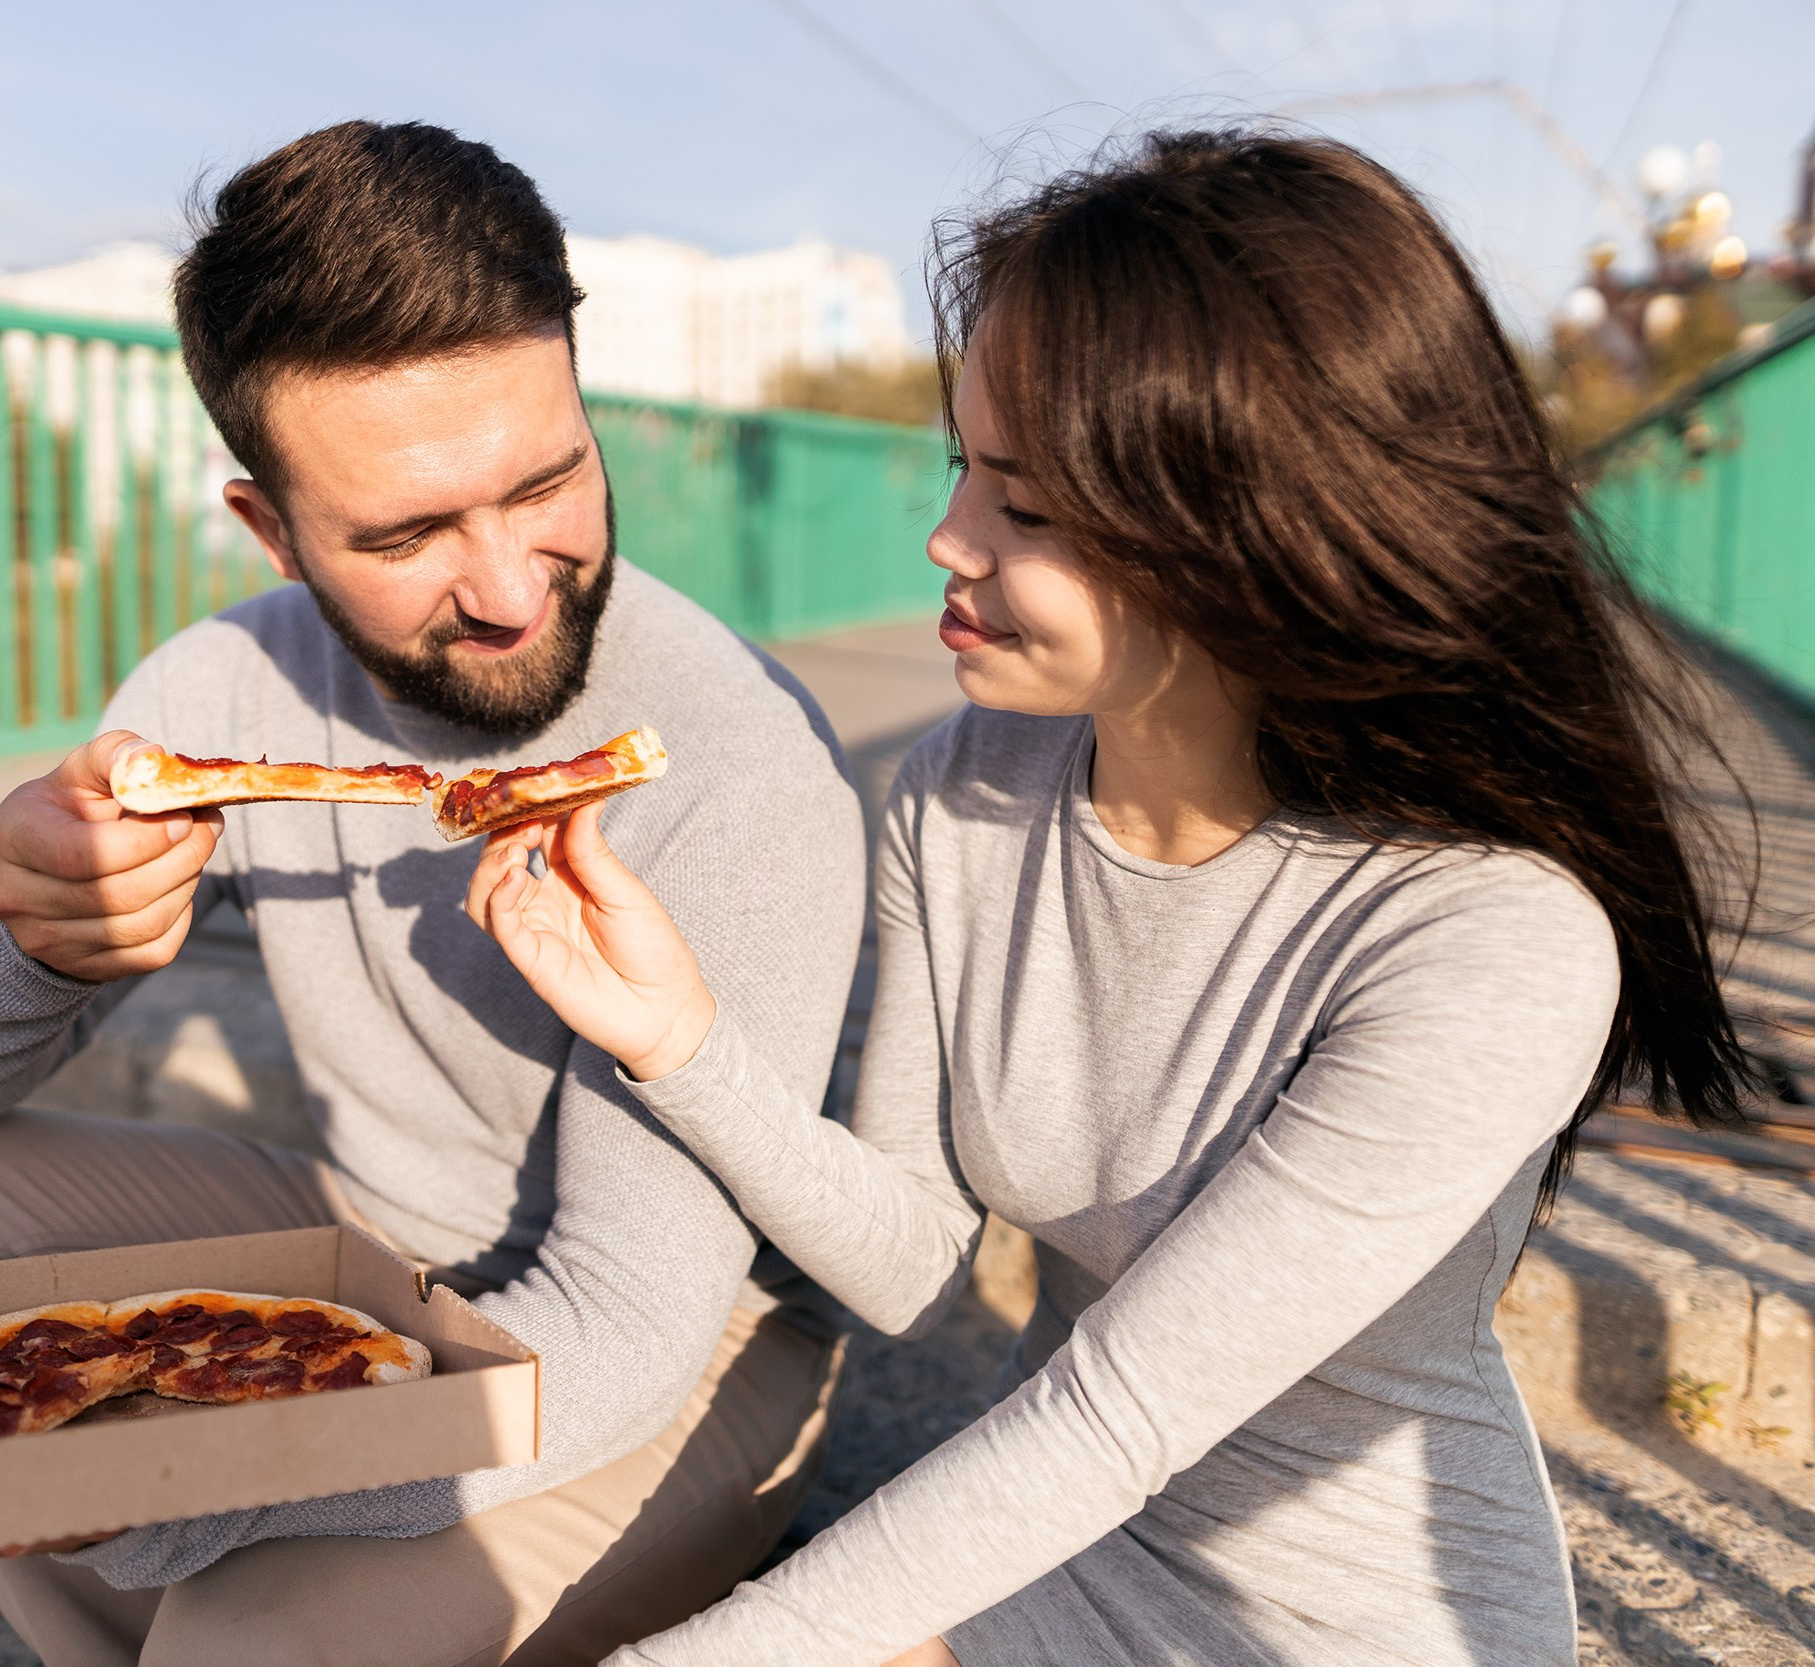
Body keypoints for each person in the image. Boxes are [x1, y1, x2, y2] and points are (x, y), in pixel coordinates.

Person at [466, 128, 1752, 1667]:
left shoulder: (1490, 937)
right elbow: (905, 1272)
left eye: (1030, 507)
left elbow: (1115, 1413)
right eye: (963, 466)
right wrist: (679, 1041)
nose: (947, 541)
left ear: (1251, 530)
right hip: (1051, 1562)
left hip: (1351, 1628)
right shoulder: (965, 787)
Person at [0, 120, 866, 1667]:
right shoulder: (220, 688)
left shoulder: (739, 765)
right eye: (407, 534)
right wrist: (14, 935)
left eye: (548, 479)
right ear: (273, 533)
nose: (508, 587)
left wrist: (175, 1500)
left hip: (699, 1350)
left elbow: (636, 1324)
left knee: (250, 1630)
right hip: (374, 1252)